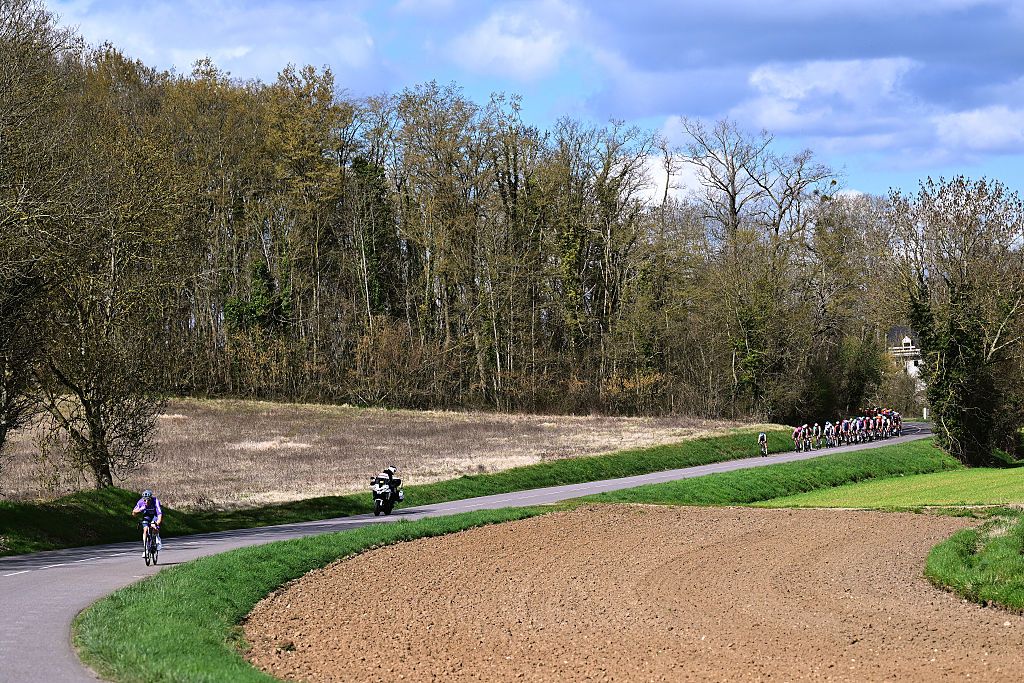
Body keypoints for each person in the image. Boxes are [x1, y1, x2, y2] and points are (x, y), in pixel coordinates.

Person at [132, 489, 162, 557]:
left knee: (154, 526)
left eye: (148, 500)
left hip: (155, 515)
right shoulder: (140, 502)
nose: (146, 502)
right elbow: (133, 513)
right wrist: (140, 510)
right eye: (145, 500)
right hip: (147, 516)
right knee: (145, 530)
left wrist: (157, 523)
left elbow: (159, 514)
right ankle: (146, 549)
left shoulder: (155, 501)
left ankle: (158, 539)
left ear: (151, 499)